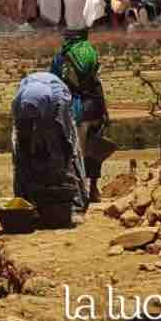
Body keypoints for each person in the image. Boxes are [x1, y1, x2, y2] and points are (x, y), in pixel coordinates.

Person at [12, 72, 85, 217]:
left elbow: (65, 140)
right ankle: (25, 200)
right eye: (30, 119)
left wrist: (60, 166)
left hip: (53, 106)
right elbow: (22, 137)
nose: (34, 124)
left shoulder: (60, 101)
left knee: (62, 150)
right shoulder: (19, 104)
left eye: (35, 118)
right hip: (38, 102)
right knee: (21, 152)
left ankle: (75, 199)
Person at [51, 28, 109, 207]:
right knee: (94, 147)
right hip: (96, 105)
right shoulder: (91, 52)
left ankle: (78, 191)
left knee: (74, 150)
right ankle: (94, 189)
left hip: (76, 106)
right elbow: (96, 81)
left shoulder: (62, 56)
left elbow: (54, 80)